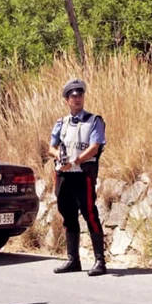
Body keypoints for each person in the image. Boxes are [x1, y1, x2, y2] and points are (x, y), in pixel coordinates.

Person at [48, 79, 107, 277]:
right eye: (73, 96)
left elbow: (95, 147)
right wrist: (59, 157)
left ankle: (100, 260)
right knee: (68, 214)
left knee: (90, 213)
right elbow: (51, 147)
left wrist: (75, 161)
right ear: (66, 100)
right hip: (64, 175)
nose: (77, 99)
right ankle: (73, 259)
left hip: (83, 174)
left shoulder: (94, 120)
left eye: (80, 95)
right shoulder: (61, 123)